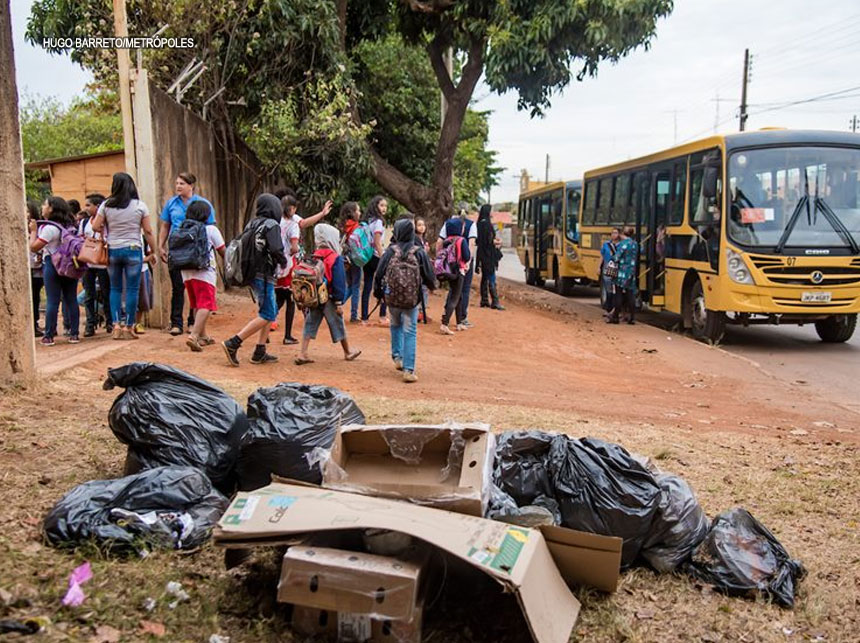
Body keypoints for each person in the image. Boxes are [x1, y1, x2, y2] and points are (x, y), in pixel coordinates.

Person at [222, 193, 288, 366]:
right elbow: (275, 249)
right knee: (268, 313)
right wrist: (284, 261)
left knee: (268, 310)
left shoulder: (253, 223)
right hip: (264, 275)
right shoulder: (272, 225)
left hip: (253, 273)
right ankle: (233, 343)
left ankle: (260, 351)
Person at [92, 172, 157, 340]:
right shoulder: (140, 206)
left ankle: (115, 325)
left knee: (115, 288)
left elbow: (95, 226)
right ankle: (129, 326)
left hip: (113, 250)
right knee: (132, 289)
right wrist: (155, 250)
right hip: (134, 250)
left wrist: (107, 228)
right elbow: (148, 231)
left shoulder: (106, 205)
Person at [373, 219, 436, 383]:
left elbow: (379, 274)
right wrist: (431, 286)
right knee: (410, 331)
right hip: (411, 299)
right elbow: (429, 275)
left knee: (395, 325)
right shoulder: (419, 251)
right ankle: (409, 370)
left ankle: (397, 357)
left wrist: (378, 293)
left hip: (392, 298)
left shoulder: (390, 251)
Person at [295, 223, 362, 365]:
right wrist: (338, 302)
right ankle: (348, 351)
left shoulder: (314, 255)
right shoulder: (335, 258)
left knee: (310, 322)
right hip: (329, 297)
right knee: (338, 324)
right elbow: (338, 281)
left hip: (314, 296)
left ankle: (303, 353)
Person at [158, 172, 216, 336]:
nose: (178, 186)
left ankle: (193, 322)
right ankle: (176, 322)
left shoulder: (203, 204)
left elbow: (210, 227)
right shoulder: (171, 204)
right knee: (178, 287)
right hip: (177, 249)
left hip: (196, 251)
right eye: (177, 183)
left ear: (191, 186)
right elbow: (165, 226)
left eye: (182, 183)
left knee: (195, 287)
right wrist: (161, 246)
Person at [275, 193, 333, 343]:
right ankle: (287, 335)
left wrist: (321, 213)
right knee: (291, 299)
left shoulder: (277, 220)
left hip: (277, 265)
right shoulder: (293, 224)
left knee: (279, 299)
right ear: (293, 208)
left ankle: (265, 326)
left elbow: (304, 222)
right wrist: (294, 250)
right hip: (289, 263)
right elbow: (295, 244)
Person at [28, 196, 79, 345]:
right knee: (71, 298)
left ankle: (49, 335)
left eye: (45, 205)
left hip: (53, 264)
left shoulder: (50, 228)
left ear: (51, 209)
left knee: (52, 301)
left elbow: (34, 247)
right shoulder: (70, 225)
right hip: (70, 264)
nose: (42, 207)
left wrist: (33, 232)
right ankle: (74, 334)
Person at [181, 201, 226, 352]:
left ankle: (203, 335)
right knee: (206, 305)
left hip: (186, 271)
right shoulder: (211, 229)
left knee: (197, 304)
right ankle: (193, 335)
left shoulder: (183, 228)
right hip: (204, 271)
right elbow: (222, 250)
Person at [437, 202, 478, 328]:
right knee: (463, 290)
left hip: (449, 265)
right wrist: (468, 263)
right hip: (461, 265)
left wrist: (440, 259)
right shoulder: (471, 225)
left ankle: (447, 313)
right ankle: (461, 318)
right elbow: (471, 244)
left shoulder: (448, 223)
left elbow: (439, 242)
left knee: (453, 290)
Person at [79, 193, 112, 337]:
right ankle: (90, 324)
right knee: (88, 294)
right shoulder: (84, 222)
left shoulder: (107, 222)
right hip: (88, 262)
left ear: (97, 207)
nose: (85, 208)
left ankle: (110, 322)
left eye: (88, 205)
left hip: (102, 263)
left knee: (106, 293)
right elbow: (80, 238)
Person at [361, 195, 388, 325]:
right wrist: (383, 257)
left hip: (367, 256)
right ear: (376, 206)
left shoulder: (368, 221)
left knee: (367, 286)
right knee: (385, 284)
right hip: (376, 256)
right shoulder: (378, 222)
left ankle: (364, 317)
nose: (384, 208)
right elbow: (377, 242)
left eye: (385, 206)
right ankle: (382, 315)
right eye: (382, 205)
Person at [476, 204, 505, 311]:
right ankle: (495, 301)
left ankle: (484, 299)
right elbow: (488, 241)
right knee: (491, 276)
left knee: (484, 277)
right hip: (489, 254)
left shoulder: (479, 224)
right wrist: (496, 242)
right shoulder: (487, 225)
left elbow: (479, 241)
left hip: (481, 254)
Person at [608, 226, 638, 325]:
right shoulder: (635, 244)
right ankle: (632, 317)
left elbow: (616, 258)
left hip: (621, 272)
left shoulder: (622, 245)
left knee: (618, 294)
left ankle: (615, 316)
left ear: (622, 234)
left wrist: (612, 256)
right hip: (631, 272)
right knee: (630, 294)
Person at [340, 201, 363, 323]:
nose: (360, 213)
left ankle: (338, 304)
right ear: (352, 213)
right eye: (358, 210)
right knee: (356, 287)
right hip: (355, 260)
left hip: (346, 259)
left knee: (350, 285)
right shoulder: (356, 227)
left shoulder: (343, 226)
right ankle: (354, 315)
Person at [27, 200, 45, 338]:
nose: (25, 214)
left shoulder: (40, 229)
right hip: (23, 270)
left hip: (36, 270)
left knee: (34, 297)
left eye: (27, 211)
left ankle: (34, 325)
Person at [136, 239, 156, 335]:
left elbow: (149, 253)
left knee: (142, 298)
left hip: (142, 269)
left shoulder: (144, 237)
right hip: (128, 270)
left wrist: (151, 256)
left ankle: (137, 323)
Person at [600, 227, 620, 317]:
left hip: (617, 269)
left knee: (616, 291)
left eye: (615, 233)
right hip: (607, 269)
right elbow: (602, 256)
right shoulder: (606, 245)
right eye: (612, 233)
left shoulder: (621, 245)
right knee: (608, 290)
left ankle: (615, 310)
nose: (613, 235)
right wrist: (598, 267)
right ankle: (608, 309)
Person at [415, 216, 432, 323]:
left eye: (423, 225)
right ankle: (418, 312)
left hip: (423, 268)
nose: (422, 227)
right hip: (417, 268)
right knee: (419, 290)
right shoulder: (415, 239)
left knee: (424, 290)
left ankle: (422, 312)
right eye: (419, 225)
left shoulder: (423, 240)